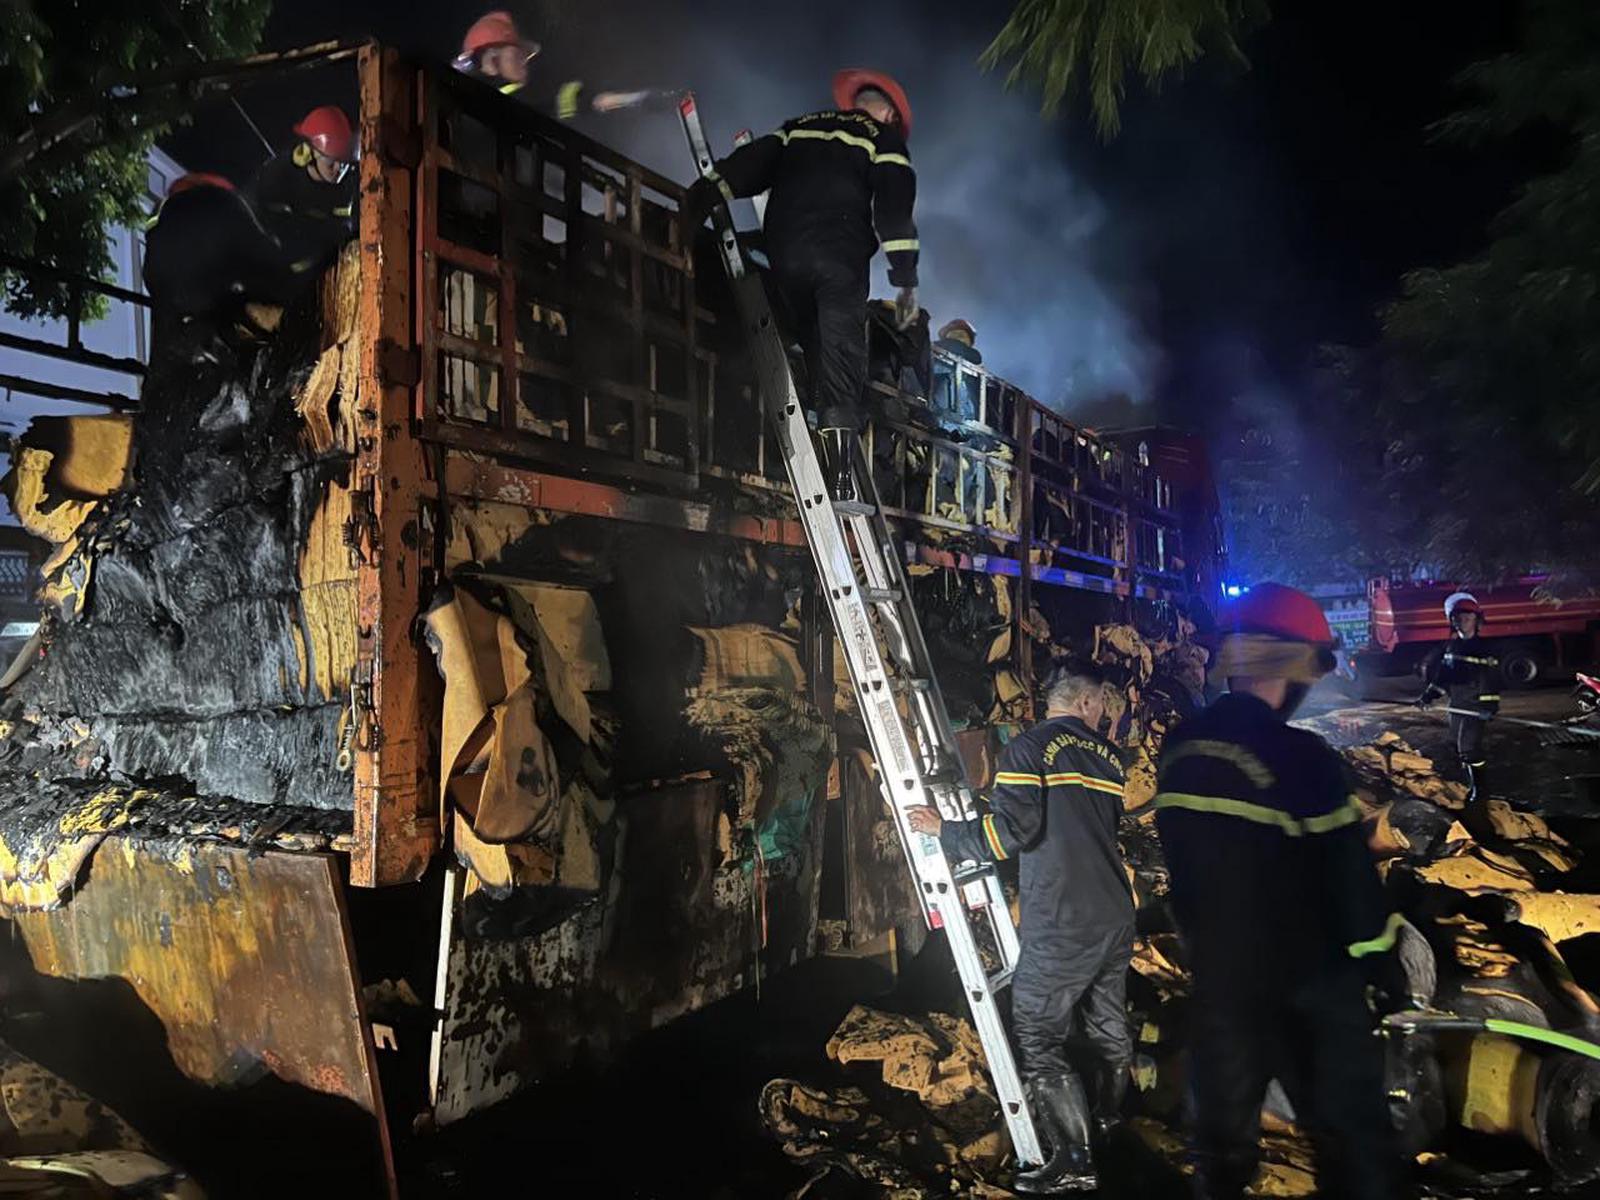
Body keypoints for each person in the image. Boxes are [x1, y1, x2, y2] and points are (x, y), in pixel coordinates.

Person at [1153, 583, 1409, 1200]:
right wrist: (1382, 965)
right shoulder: (1301, 757)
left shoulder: (1178, 748)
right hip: (1310, 988)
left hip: (1221, 988)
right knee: (1357, 1149)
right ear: (1292, 665)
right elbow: (1350, 886)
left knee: (1220, 1158)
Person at [906, 668, 1132, 1195]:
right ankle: (1107, 1122)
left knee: (1036, 1031)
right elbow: (1078, 822)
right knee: (1106, 1021)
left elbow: (1011, 836)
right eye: (1103, 703)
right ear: (1085, 702)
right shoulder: (1108, 757)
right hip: (1112, 911)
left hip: (1063, 917)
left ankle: (1074, 1160)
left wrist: (946, 830)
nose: (1106, 712)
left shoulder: (1028, 750)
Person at [683, 68, 920, 501]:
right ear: (888, 114)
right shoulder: (884, 140)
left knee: (811, 338)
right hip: (840, 259)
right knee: (840, 350)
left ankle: (807, 413)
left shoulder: (800, 127)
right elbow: (894, 213)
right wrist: (905, 280)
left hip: (786, 254)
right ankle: (840, 477)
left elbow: (746, 167)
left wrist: (697, 202)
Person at [454, 10, 663, 118]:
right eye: (518, 55)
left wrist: (636, 98)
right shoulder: (475, 101)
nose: (525, 61)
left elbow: (585, 100)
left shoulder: (532, 94)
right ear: (492, 60)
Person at [143, 173, 291, 322]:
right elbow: (260, 251)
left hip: (174, 302)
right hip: (205, 302)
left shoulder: (168, 213)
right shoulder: (221, 202)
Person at [247, 106, 358, 284]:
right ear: (307, 154)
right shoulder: (276, 183)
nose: (340, 170)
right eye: (332, 162)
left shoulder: (351, 179)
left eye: (344, 163)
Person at [1416, 592, 1498, 816]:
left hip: (1476, 706)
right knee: (1455, 744)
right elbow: (1444, 677)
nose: (1462, 622)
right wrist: (1428, 696)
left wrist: (1489, 707)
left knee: (1469, 748)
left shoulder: (1484, 648)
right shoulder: (1452, 647)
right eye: (1458, 618)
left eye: (1467, 618)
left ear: (1477, 620)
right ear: (1452, 621)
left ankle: (1480, 790)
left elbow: (1491, 680)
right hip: (1457, 704)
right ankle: (1469, 782)